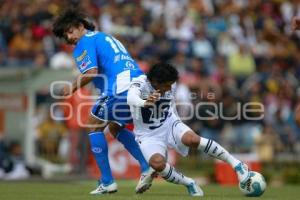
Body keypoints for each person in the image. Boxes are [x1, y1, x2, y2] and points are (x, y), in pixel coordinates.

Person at [52, 9, 154, 194]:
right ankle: (147, 166)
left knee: (93, 125)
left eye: (70, 31)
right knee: (115, 127)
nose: (69, 37)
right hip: (139, 82)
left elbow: (90, 73)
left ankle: (107, 181)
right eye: (65, 35)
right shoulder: (104, 36)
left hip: (119, 86)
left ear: (80, 26)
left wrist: (70, 88)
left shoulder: (84, 42)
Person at [127, 62, 251, 196]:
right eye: (167, 85)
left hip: (169, 123)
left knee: (192, 139)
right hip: (148, 135)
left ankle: (237, 165)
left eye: (171, 84)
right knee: (157, 164)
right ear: (156, 82)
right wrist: (144, 102)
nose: (170, 88)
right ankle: (189, 183)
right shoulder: (140, 83)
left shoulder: (171, 85)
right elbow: (130, 98)